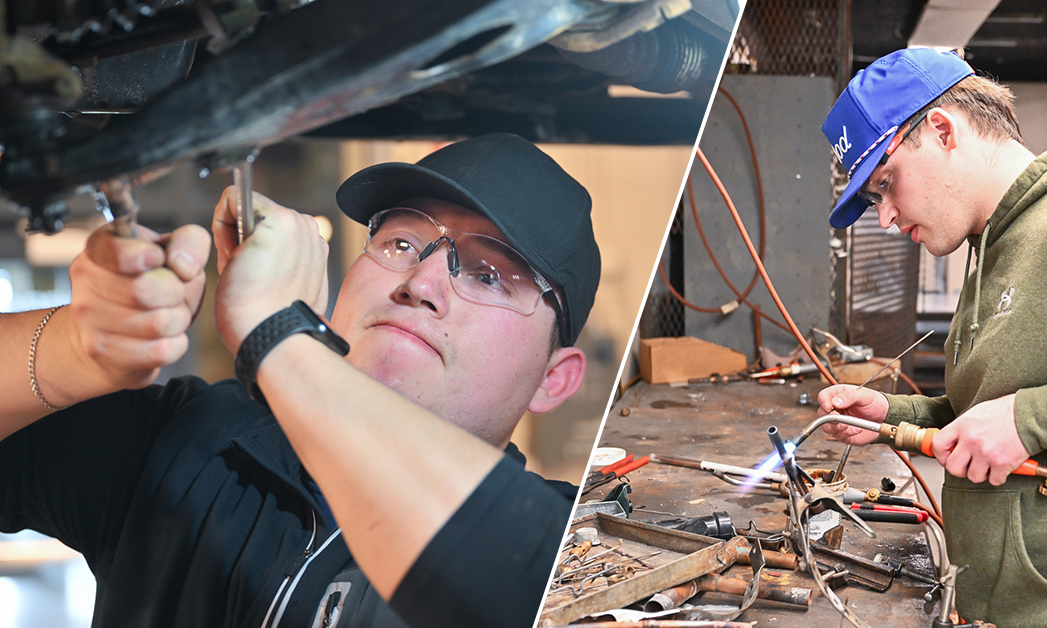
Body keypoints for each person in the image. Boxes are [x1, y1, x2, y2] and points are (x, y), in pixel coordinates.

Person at [0, 133, 602, 628]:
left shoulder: (580, 548)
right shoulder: (195, 442)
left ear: (553, 380)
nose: (419, 282)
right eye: (401, 241)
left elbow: (516, 578)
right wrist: (76, 350)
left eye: (490, 274)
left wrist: (279, 340)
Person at [813, 47, 1047, 626]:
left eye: (886, 183)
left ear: (942, 130)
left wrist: (1032, 418)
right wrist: (896, 412)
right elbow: (997, 409)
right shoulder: (990, 244)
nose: (887, 217)